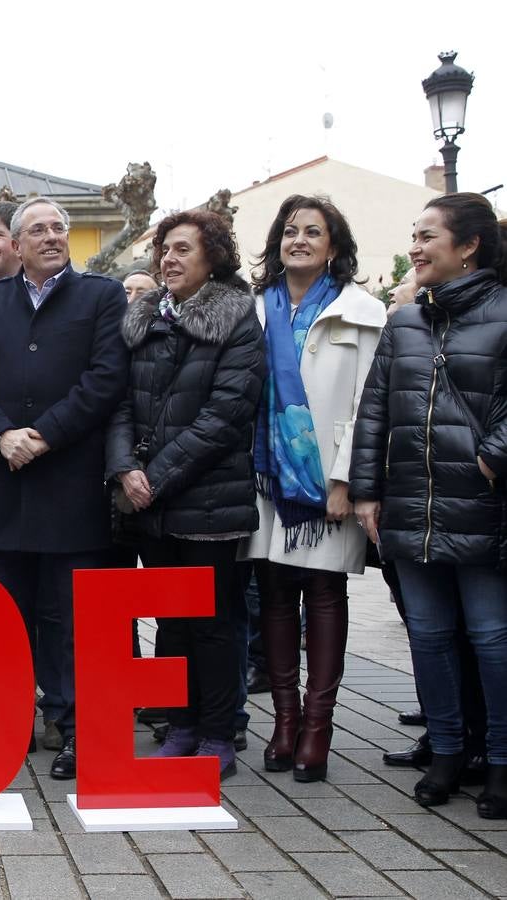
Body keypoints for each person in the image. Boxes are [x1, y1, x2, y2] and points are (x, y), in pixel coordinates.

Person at [0, 197, 130, 779]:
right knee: (5, 614)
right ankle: (6, 723)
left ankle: (74, 725)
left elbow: (105, 379)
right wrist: (1, 435)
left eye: (59, 228)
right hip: (5, 485)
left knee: (71, 617)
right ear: (17, 244)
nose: (51, 237)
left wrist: (45, 436)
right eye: (38, 230)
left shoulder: (99, 296)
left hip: (70, 483)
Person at [351, 193, 507, 818]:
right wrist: (366, 489)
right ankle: (445, 750)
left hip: (483, 502)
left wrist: (493, 455)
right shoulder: (406, 321)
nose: (414, 247)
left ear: (467, 246)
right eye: (413, 236)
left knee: (492, 638)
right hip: (410, 503)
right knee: (431, 635)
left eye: (426, 236)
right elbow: (374, 412)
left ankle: (499, 759)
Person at [107, 209, 265, 779]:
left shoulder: (238, 319)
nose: (167, 260)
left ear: (213, 258)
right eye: (163, 251)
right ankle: (180, 725)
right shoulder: (142, 317)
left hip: (208, 498)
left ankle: (220, 732)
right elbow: (119, 402)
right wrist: (125, 467)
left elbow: (227, 414)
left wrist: (156, 475)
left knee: (214, 621)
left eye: (181, 250)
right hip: (149, 498)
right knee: (170, 619)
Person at [241, 196, 385, 782]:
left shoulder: (362, 312)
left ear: (334, 246)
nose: (299, 239)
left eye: (314, 232)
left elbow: (366, 407)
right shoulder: (254, 310)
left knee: (324, 597)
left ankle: (318, 731)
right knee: (273, 597)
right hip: (267, 482)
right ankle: (282, 722)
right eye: (290, 230)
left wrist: (346, 480)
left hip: (329, 485)